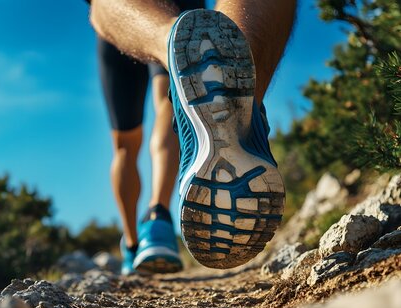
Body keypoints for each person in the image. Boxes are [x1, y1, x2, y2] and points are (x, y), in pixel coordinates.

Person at [91, 0, 295, 273]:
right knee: (169, 104)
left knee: (126, 145)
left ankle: (133, 242)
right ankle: (157, 220)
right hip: (182, 7)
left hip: (123, 17)